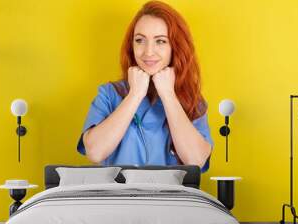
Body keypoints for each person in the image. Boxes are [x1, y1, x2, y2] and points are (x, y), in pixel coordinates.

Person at [77, 1, 213, 172]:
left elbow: (196, 160)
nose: (148, 51)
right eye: (140, 40)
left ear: (175, 47)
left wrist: (169, 95)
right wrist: (135, 95)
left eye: (160, 41)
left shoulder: (192, 100)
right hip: (119, 198)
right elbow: (95, 152)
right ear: (131, 46)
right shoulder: (110, 94)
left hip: (172, 198)